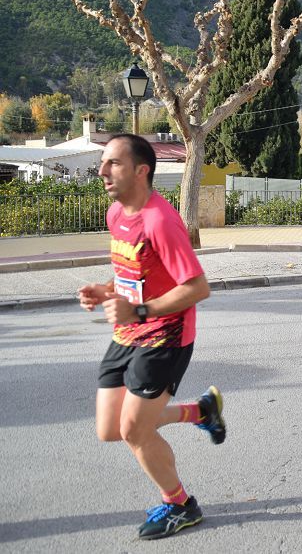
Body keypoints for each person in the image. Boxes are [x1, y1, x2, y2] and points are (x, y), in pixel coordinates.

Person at [77, 134, 226, 540]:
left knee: (133, 431)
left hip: (165, 335)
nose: (104, 170)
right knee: (110, 428)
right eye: (104, 163)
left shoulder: (160, 220)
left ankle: (180, 505)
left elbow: (197, 287)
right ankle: (200, 412)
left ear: (142, 171)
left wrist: (140, 310)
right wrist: (106, 290)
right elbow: (135, 272)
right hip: (127, 332)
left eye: (114, 163)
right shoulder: (116, 214)